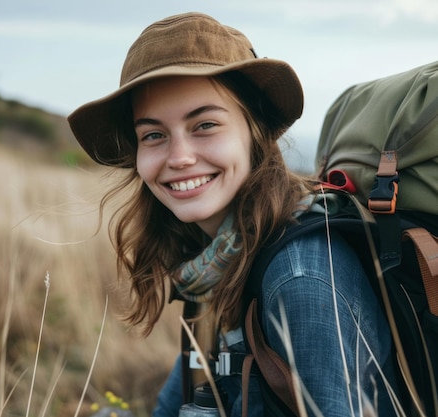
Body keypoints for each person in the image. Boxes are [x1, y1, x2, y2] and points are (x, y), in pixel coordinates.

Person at [68, 12, 398, 417]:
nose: (179, 157)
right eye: (153, 134)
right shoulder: (213, 266)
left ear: (253, 131)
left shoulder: (300, 280)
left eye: (205, 125)